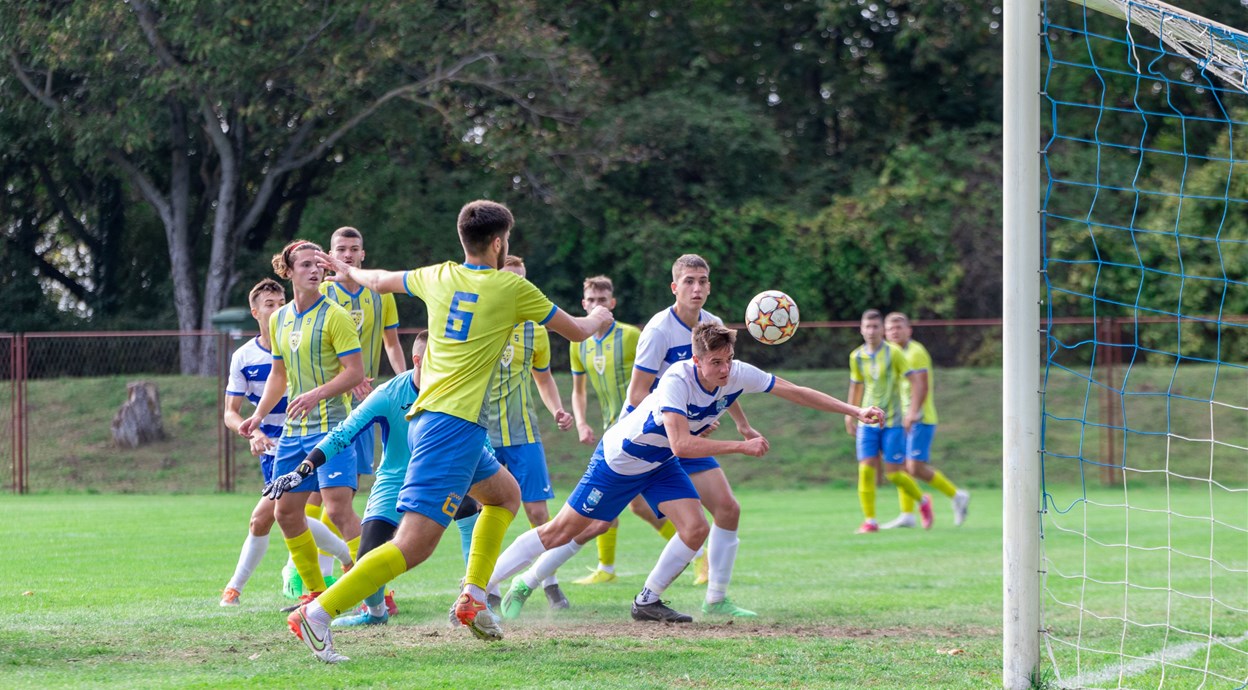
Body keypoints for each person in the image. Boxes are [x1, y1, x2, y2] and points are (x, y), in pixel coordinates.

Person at [278, 199, 612, 663]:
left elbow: (378, 279)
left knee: (504, 496)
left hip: (446, 424)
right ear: (499, 243)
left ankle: (473, 597)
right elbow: (577, 330)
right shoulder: (512, 288)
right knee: (412, 547)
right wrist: (602, 318)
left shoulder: (438, 274)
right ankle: (317, 614)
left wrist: (349, 272)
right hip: (449, 429)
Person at [488, 323, 883, 623]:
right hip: (618, 462)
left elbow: (794, 390)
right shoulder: (678, 379)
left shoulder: (735, 372)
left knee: (696, 528)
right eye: (716, 363)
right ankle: (483, 586)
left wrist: (856, 411)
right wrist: (741, 445)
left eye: (728, 360)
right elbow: (682, 446)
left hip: (658, 465)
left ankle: (647, 601)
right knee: (562, 530)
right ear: (697, 360)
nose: (725, 369)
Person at [238, 240, 365, 612]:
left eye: (319, 265)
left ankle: (375, 592)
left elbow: (354, 373)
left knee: (338, 509)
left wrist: (315, 395)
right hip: (293, 432)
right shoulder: (279, 318)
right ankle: (314, 592)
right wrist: (259, 415)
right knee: (285, 512)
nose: (315, 270)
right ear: (288, 271)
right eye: (306, 264)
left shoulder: (336, 316)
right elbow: (278, 374)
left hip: (333, 428)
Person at [624, 253, 758, 604]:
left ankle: (716, 598)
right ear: (674, 287)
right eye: (688, 281)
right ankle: (525, 581)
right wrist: (680, 421)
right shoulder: (658, 331)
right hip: (652, 438)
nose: (696, 288)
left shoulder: (712, 324)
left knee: (728, 508)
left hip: (688, 438)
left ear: (709, 286)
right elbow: (637, 393)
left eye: (702, 281)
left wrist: (743, 425)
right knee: (603, 519)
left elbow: (724, 380)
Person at [484, 255, 574, 609]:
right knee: (487, 514)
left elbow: (544, 377)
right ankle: (483, 588)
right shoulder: (482, 323)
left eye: (523, 280)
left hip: (524, 434)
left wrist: (557, 409)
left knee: (539, 513)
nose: (518, 287)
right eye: (510, 280)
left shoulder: (536, 330)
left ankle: (549, 584)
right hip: (483, 435)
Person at [568, 275, 641, 585]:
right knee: (633, 505)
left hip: (637, 428)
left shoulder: (630, 336)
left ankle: (698, 554)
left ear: (612, 304)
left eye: (603, 300)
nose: (597, 305)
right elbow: (579, 390)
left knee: (613, 502)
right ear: (584, 305)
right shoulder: (578, 343)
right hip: (611, 431)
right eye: (592, 301)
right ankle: (606, 569)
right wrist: (582, 422)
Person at [844, 309, 929, 533]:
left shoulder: (894, 354)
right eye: (867, 327)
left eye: (875, 327)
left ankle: (922, 500)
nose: (871, 331)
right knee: (865, 470)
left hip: (892, 422)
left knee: (893, 473)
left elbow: (916, 382)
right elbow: (856, 385)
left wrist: (912, 411)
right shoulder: (857, 356)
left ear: (882, 330)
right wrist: (850, 412)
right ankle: (870, 520)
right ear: (861, 329)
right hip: (866, 422)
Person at [884, 312, 970, 526]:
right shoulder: (890, 353)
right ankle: (907, 514)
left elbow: (921, 385)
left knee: (914, 467)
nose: (895, 331)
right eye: (891, 328)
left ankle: (957, 495)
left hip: (921, 417)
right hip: (899, 417)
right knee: (901, 465)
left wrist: (913, 413)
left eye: (899, 327)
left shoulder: (915, 352)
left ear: (909, 330)